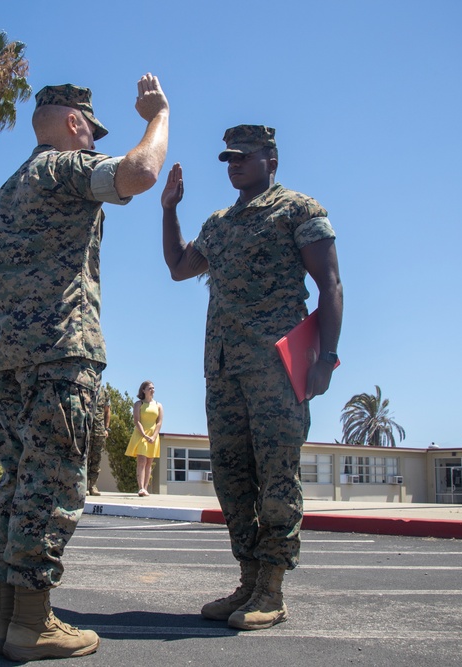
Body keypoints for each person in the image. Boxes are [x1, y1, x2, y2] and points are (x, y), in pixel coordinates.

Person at [0, 75, 170, 661]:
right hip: (62, 355)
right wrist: (159, 116)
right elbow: (139, 174)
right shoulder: (61, 168)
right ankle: (32, 625)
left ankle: (8, 618)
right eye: (91, 133)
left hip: (12, 360)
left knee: (16, 485)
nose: (92, 145)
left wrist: (12, 340)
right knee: (53, 485)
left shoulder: (3, 194)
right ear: (75, 124)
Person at [160, 125, 342, 631]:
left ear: (271, 159)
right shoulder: (219, 224)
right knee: (232, 476)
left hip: (276, 369)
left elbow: (330, 285)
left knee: (276, 475)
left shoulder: (299, 211)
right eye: (228, 158)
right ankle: (247, 579)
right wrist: (170, 209)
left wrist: (326, 357)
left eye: (243, 156)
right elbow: (179, 266)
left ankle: (273, 589)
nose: (233, 164)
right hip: (223, 370)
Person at [124, 380, 163, 496]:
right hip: (141, 434)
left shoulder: (158, 405)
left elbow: (159, 422)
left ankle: (146, 488)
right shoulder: (138, 404)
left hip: (153, 435)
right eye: (149, 388)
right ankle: (140, 488)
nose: (152, 390)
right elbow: (136, 421)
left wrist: (154, 436)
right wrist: (144, 435)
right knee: (141, 460)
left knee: (149, 463)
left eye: (153, 388)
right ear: (143, 390)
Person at [87, 385, 110, 496]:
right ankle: (84, 486)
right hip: (86, 429)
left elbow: (107, 411)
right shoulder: (85, 388)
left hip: (99, 430)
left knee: (96, 459)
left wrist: (106, 428)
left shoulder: (104, 392)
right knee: (84, 458)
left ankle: (93, 486)